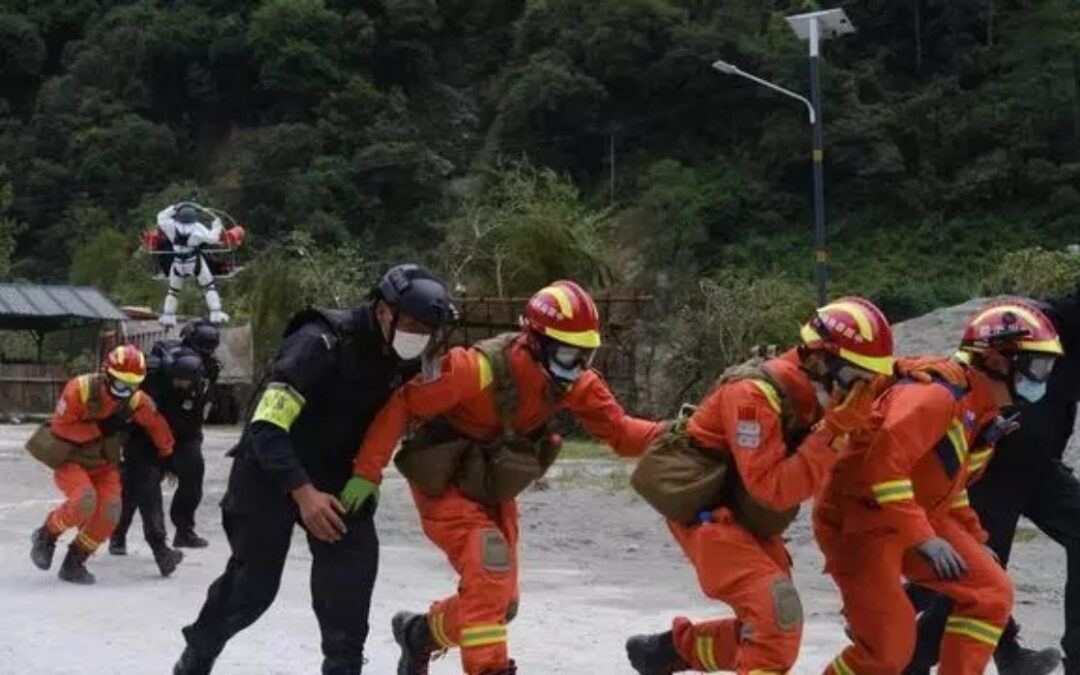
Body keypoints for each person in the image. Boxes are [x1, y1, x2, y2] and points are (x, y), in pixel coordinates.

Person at [348, 280, 665, 675]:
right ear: (536, 342)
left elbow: (622, 433)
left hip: (490, 485)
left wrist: (686, 433)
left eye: (587, 355)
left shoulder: (570, 381)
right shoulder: (475, 369)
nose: (579, 367)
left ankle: (420, 634)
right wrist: (367, 472)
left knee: (501, 603)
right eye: (570, 354)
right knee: (490, 563)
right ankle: (490, 668)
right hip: (442, 478)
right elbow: (404, 402)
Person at [173, 264, 456, 675]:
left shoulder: (406, 359)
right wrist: (302, 493)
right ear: (383, 311)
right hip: (269, 470)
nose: (420, 336)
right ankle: (197, 656)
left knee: (350, 584)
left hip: (338, 476)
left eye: (428, 329)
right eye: (412, 324)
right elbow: (265, 425)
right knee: (252, 589)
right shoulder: (319, 343)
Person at [624, 297, 894, 675]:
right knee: (776, 613)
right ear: (819, 358)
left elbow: (882, 382)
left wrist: (925, 372)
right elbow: (772, 489)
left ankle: (670, 650)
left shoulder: (823, 390)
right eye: (858, 378)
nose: (863, 390)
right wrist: (832, 433)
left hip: (746, 516)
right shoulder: (753, 396)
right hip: (710, 514)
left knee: (771, 626)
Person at [816, 299, 1064, 675]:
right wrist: (924, 538)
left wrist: (974, 536)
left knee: (991, 593)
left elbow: (949, 485)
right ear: (998, 361)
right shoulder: (934, 397)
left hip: (913, 513)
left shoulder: (980, 408)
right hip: (861, 520)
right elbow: (884, 466)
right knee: (888, 651)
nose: (1043, 378)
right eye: (1038, 366)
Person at [907, 287, 1080, 675]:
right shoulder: (1059, 318)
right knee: (980, 575)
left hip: (1038, 465)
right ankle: (905, 658)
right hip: (1000, 460)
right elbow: (1028, 320)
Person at [27, 345, 175, 585]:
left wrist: (168, 454)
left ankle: (75, 562)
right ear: (107, 375)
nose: (125, 392)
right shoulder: (80, 390)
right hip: (70, 458)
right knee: (84, 501)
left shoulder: (135, 401)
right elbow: (61, 427)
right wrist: (101, 428)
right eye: (120, 385)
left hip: (103, 463)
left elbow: (156, 424)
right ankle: (46, 535)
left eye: (132, 386)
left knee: (110, 512)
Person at [108, 344, 206, 576]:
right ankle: (122, 536)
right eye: (176, 379)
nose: (179, 384)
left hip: (172, 440)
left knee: (192, 469)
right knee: (138, 490)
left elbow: (191, 426)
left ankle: (176, 538)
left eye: (185, 381)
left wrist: (172, 461)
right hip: (141, 442)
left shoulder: (199, 388)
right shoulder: (148, 381)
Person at [170, 319, 222, 547]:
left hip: (188, 434)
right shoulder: (169, 360)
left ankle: (184, 531)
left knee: (192, 482)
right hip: (154, 431)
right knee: (139, 485)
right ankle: (118, 534)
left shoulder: (209, 367)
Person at [150, 202, 243, 326]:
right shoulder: (197, 228)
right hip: (194, 262)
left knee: (173, 290)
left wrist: (176, 207)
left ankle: (168, 316)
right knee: (208, 286)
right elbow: (213, 238)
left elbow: (161, 216)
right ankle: (216, 313)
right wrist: (216, 225)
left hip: (177, 264)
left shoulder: (171, 226)